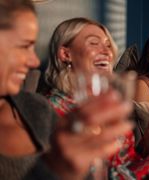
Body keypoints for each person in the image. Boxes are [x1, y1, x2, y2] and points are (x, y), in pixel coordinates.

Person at [44, 17, 149, 179]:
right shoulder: (53, 110)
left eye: (108, 45)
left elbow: (126, 166)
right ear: (66, 54)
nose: (107, 52)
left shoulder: (103, 105)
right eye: (94, 43)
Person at [0, 0, 134, 179]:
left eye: (109, 45)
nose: (34, 61)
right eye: (24, 46)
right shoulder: (59, 108)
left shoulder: (37, 107)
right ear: (65, 54)